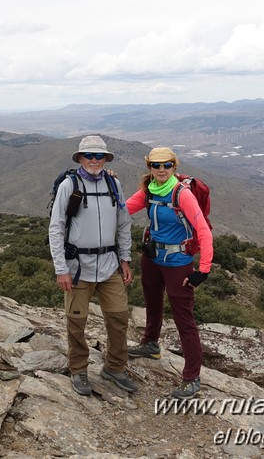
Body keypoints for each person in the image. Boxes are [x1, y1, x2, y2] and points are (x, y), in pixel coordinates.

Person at [48, 135, 136, 396]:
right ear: (81, 158)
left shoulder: (114, 183)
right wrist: (60, 268)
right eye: (90, 156)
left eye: (99, 156)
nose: (94, 160)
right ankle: (79, 370)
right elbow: (56, 228)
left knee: (119, 317)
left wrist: (125, 258)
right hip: (77, 268)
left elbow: (123, 222)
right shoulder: (69, 185)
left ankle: (115, 367)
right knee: (77, 322)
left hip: (109, 265)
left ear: (105, 159)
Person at [125, 147, 213, 399]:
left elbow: (204, 231)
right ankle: (151, 344)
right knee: (152, 305)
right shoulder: (148, 191)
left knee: (184, 320)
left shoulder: (181, 194)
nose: (161, 170)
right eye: (156, 165)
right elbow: (123, 209)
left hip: (178, 263)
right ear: (149, 167)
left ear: (174, 167)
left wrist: (203, 270)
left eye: (166, 165)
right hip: (152, 258)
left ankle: (192, 377)